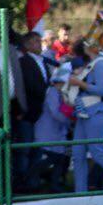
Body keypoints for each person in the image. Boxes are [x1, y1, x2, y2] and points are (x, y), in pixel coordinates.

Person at [68, 38, 103, 192]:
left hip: (96, 113)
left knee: (98, 153)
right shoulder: (88, 66)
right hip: (82, 114)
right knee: (78, 154)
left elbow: (101, 90)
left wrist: (80, 83)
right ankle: (80, 193)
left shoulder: (100, 64)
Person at [14, 31, 52, 191]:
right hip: (28, 113)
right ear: (27, 44)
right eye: (36, 41)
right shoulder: (23, 62)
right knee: (25, 150)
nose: (39, 44)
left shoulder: (43, 62)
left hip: (42, 114)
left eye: (40, 40)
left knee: (37, 149)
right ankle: (21, 182)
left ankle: (33, 181)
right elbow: (29, 85)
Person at [34, 63, 73, 192]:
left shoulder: (61, 94)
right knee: (53, 158)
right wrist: (69, 122)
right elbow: (56, 112)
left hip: (57, 132)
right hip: (48, 132)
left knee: (59, 160)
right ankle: (30, 176)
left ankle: (54, 185)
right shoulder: (52, 92)